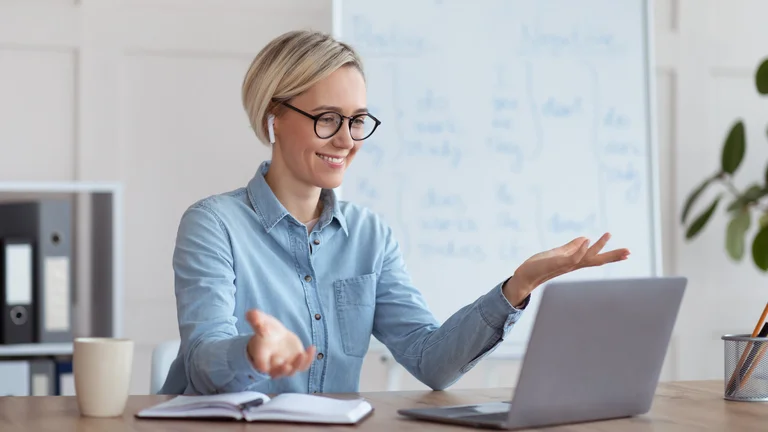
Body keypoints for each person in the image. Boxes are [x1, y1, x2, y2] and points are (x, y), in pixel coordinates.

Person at [159, 29, 630, 396]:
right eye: (327, 118)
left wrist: (519, 285)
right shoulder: (214, 224)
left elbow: (431, 361)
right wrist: (253, 353)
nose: (346, 139)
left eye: (358, 120)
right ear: (273, 118)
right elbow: (203, 362)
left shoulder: (370, 236)